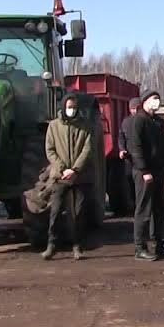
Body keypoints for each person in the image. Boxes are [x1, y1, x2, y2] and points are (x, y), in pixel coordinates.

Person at [43, 92, 94, 261]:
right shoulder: (54, 126)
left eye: (74, 107)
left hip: (80, 177)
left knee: (78, 214)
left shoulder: (85, 126)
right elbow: (50, 150)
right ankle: (52, 245)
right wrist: (63, 169)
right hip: (60, 177)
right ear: (63, 107)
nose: (71, 110)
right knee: (55, 212)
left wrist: (75, 169)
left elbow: (87, 149)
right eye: (68, 107)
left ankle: (77, 246)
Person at [125, 89, 164, 260]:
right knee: (144, 209)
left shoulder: (158, 122)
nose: (156, 102)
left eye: (158, 99)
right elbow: (135, 147)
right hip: (144, 173)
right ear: (144, 102)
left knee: (160, 209)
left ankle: (158, 244)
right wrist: (144, 170)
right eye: (153, 99)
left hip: (159, 171)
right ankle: (140, 247)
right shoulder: (138, 121)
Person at [116, 96, 140, 214]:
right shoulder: (126, 122)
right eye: (133, 109)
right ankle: (134, 205)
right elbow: (121, 137)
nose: (135, 111)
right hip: (129, 160)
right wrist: (122, 149)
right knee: (130, 184)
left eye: (137, 108)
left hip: (141, 160)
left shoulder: (146, 121)